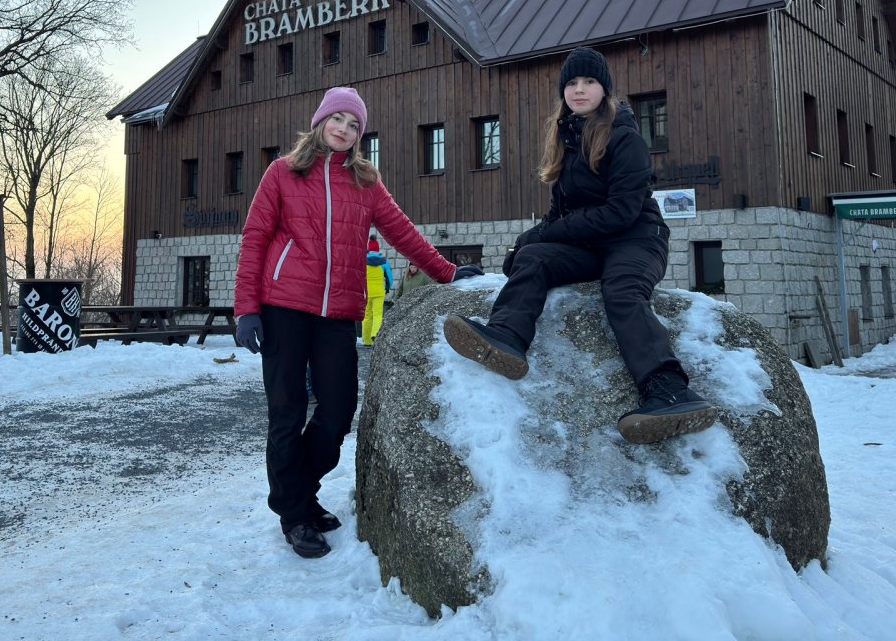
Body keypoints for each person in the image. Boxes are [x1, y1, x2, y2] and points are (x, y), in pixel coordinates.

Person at [235, 86, 483, 559]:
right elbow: (255, 238)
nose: (344, 130)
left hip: (337, 312)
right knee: (287, 412)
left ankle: (297, 492)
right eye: (338, 119)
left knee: (338, 409)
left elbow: (401, 231)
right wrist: (247, 308)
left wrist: (447, 272)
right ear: (320, 121)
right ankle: (295, 515)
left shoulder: (365, 181)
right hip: (283, 307)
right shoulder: (282, 172)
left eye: (354, 125)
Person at [443, 47, 718, 445]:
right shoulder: (566, 138)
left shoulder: (624, 136)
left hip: (637, 238)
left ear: (604, 89)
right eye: (571, 82)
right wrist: (526, 243)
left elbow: (621, 212)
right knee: (534, 257)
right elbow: (559, 215)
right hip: (591, 245)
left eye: (589, 81)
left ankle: (668, 389)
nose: (579, 89)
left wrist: (545, 234)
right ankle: (507, 337)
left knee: (622, 291)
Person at [362, 237, 393, 345]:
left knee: (367, 316)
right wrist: (388, 288)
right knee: (377, 315)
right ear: (378, 249)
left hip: (367, 293)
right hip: (379, 292)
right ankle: (375, 333)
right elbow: (389, 277)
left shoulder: (363, 261)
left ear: (368, 248)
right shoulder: (384, 262)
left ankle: (367, 340)